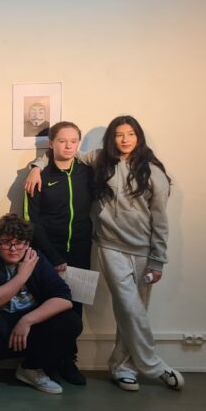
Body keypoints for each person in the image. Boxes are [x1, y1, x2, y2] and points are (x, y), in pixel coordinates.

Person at [26, 115, 183, 392]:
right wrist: (36, 166)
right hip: (110, 247)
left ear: (139, 137)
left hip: (143, 251)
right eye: (119, 134)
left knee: (133, 311)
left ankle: (123, 368)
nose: (125, 139)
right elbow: (64, 152)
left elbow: (161, 221)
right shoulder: (100, 160)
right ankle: (153, 365)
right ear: (111, 138)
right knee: (129, 306)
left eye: (130, 134)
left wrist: (158, 260)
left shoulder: (154, 173)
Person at [0, 214, 83, 395]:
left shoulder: (35, 257)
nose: (13, 249)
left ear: (27, 244)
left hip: (29, 327)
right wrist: (22, 276)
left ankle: (31, 369)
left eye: (19, 243)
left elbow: (64, 298)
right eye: (6, 243)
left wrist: (27, 320)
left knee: (70, 320)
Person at [22, 121, 93, 385]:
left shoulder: (87, 172)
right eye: (62, 141)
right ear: (51, 144)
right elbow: (32, 222)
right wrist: (53, 257)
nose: (68, 146)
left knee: (75, 308)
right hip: (48, 254)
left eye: (73, 141)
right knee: (48, 306)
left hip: (80, 250)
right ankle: (45, 362)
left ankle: (68, 360)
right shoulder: (38, 175)